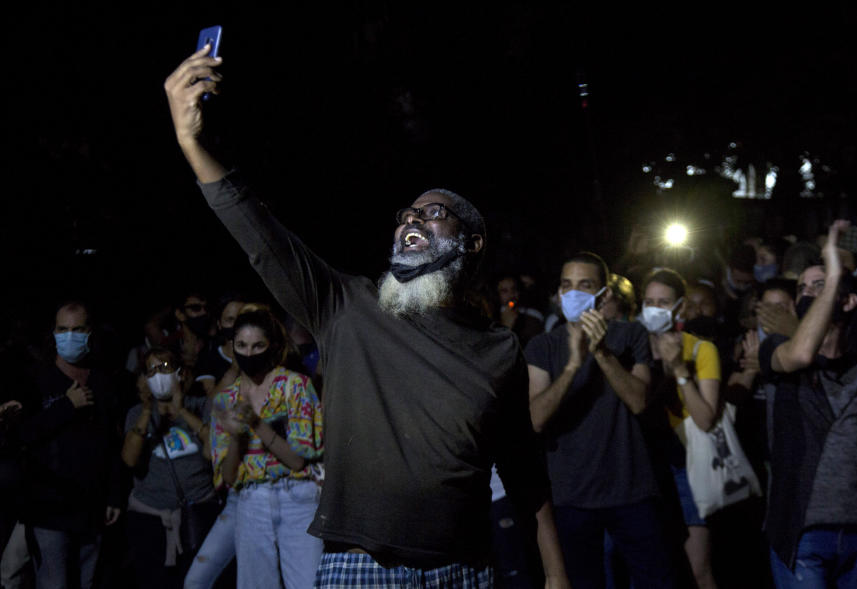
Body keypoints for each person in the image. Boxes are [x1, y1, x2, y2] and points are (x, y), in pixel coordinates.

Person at [164, 45, 570, 588]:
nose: (413, 218)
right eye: (407, 213)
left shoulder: (497, 349)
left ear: (472, 243)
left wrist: (557, 575)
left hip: (467, 568)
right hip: (361, 566)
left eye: (434, 213)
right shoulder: (348, 307)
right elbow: (262, 238)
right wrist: (191, 141)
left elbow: (523, 471)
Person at [760, 219, 857, 589]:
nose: (808, 294)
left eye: (820, 286)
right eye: (802, 288)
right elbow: (803, 351)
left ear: (849, 299)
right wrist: (831, 274)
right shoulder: (777, 350)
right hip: (801, 528)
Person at [526, 252, 679, 589]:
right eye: (567, 285)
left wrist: (601, 353)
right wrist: (571, 366)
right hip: (571, 496)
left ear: (603, 294)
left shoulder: (630, 335)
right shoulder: (542, 346)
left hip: (632, 491)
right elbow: (535, 419)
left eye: (585, 285)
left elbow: (639, 401)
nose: (573, 293)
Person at [209, 305, 324, 589]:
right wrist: (236, 436)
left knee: (307, 583)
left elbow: (298, 460)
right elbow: (229, 477)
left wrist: (256, 424)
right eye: (242, 346)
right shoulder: (226, 399)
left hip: (297, 497)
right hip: (251, 502)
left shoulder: (294, 386)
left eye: (257, 345)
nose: (249, 353)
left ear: (271, 346)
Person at [18, 301, 128, 589]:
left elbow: (114, 442)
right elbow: (23, 434)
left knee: (87, 581)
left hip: (91, 506)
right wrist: (67, 406)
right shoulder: (35, 380)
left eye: (77, 329)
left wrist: (114, 495)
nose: (70, 336)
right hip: (48, 506)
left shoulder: (103, 381)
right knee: (54, 583)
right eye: (63, 329)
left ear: (89, 333)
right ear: (53, 333)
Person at [637, 268, 721, 589]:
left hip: (687, 467)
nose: (654, 308)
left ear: (680, 307)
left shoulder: (701, 350)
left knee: (697, 569)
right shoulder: (634, 348)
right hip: (644, 466)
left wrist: (678, 370)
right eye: (649, 301)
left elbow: (705, 419)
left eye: (663, 302)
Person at [121, 348, 217, 589]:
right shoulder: (136, 414)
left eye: (163, 367)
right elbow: (129, 459)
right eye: (150, 370)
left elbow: (216, 446)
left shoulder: (201, 405)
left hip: (198, 513)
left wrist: (181, 410)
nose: (157, 375)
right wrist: (146, 410)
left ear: (181, 373)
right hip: (151, 517)